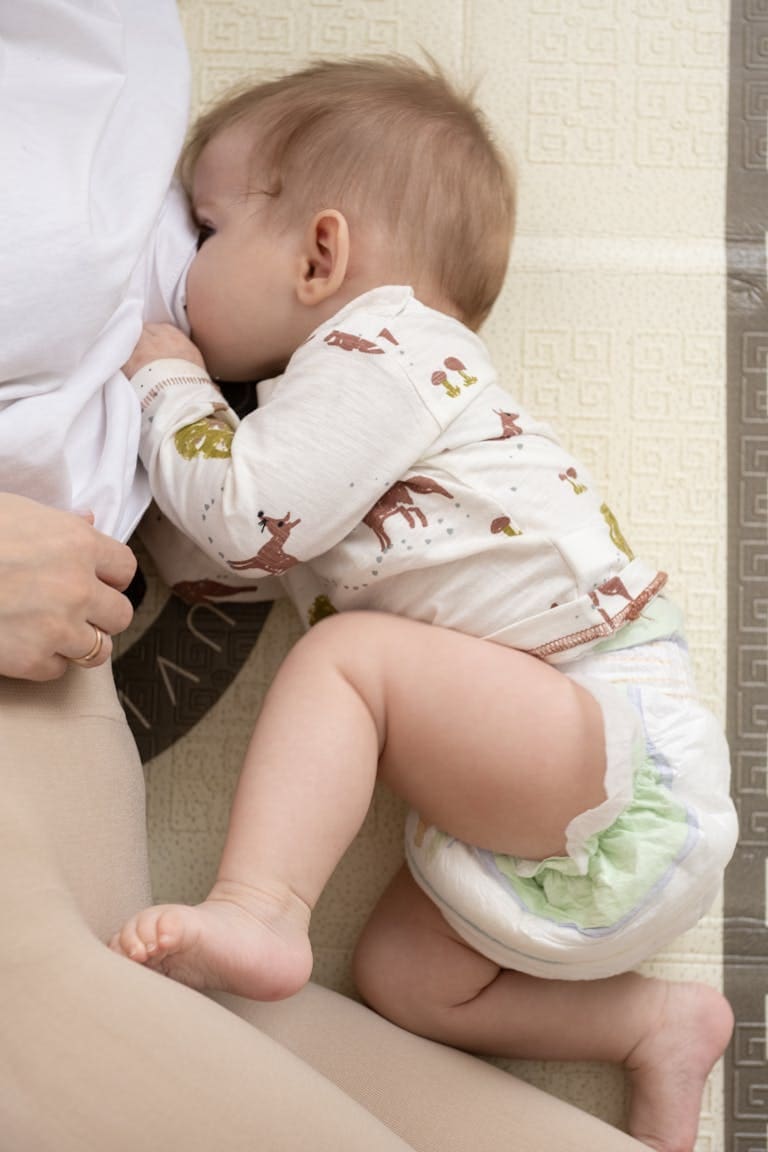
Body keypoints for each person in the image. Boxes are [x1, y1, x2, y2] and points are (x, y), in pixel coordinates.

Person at [0, 5, 658, 1151]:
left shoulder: (380, 353)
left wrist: (169, 400)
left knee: (138, 978)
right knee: (146, 985)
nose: (186, 257)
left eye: (202, 231)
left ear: (321, 252)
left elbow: (249, 521)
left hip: (61, 653)